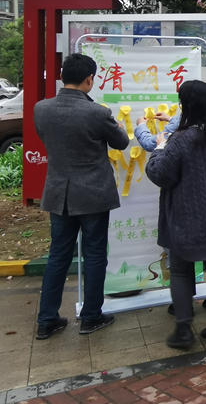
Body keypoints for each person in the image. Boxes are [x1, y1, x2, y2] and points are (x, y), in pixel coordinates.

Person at [34, 53, 130, 339]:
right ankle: (91, 317)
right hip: (94, 195)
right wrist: (119, 126)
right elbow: (121, 142)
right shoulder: (97, 112)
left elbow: (46, 138)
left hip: (58, 194)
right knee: (95, 254)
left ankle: (47, 320)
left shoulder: (41, 108)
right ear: (89, 79)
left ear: (62, 76)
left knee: (58, 256)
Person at [146, 80, 206, 350]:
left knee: (180, 271)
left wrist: (159, 147)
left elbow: (159, 174)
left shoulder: (182, 139)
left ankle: (184, 330)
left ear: (187, 106)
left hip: (187, 219)